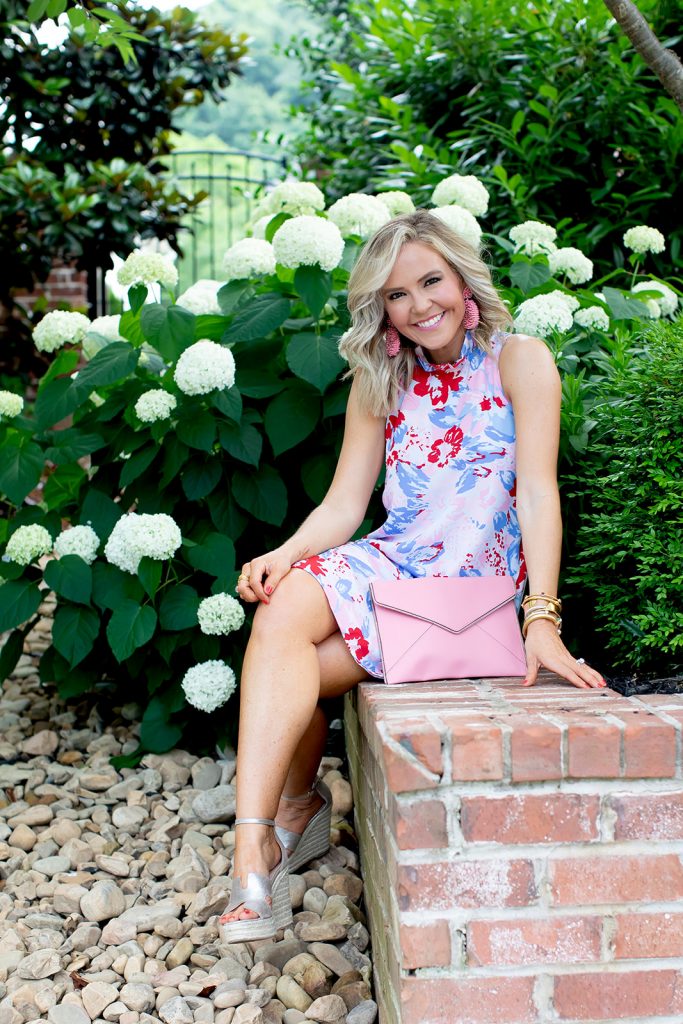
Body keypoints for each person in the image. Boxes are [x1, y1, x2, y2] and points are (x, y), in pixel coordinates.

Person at [218, 209, 604, 941]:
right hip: (392, 563)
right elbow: (343, 506)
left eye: (430, 281)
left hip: (467, 594)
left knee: (299, 661)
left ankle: (295, 808)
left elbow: (537, 491)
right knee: (283, 608)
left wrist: (542, 618)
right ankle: (253, 842)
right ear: (380, 308)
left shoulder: (519, 359)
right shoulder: (380, 377)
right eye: (397, 294)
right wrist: (284, 552)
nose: (419, 304)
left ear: (462, 279)